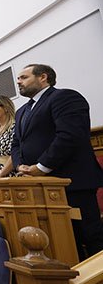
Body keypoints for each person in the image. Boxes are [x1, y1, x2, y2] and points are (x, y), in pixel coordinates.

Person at [11, 64, 103, 260]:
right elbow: (17, 144)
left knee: (89, 236)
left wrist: (42, 167)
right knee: (61, 239)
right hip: (38, 185)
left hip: (72, 182)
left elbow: (69, 136)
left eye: (24, 77)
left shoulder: (65, 97)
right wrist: (20, 166)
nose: (18, 81)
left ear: (43, 77)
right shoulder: (21, 112)